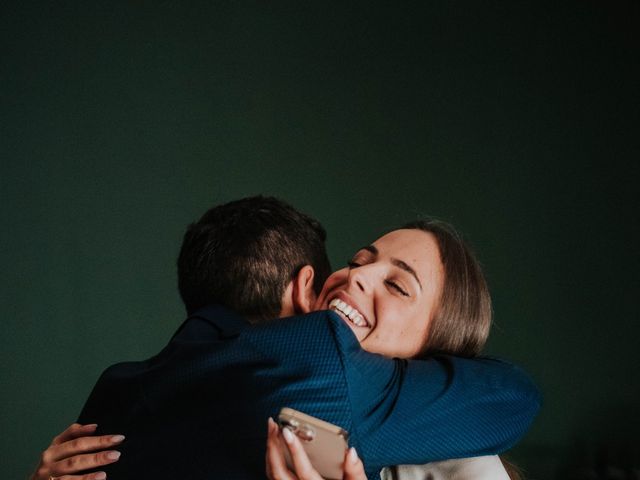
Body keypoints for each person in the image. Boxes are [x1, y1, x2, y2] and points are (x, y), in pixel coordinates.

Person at [31, 197, 539, 480]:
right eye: (360, 261)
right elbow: (516, 396)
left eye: (398, 284)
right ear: (305, 290)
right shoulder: (319, 378)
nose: (357, 276)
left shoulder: (467, 469)